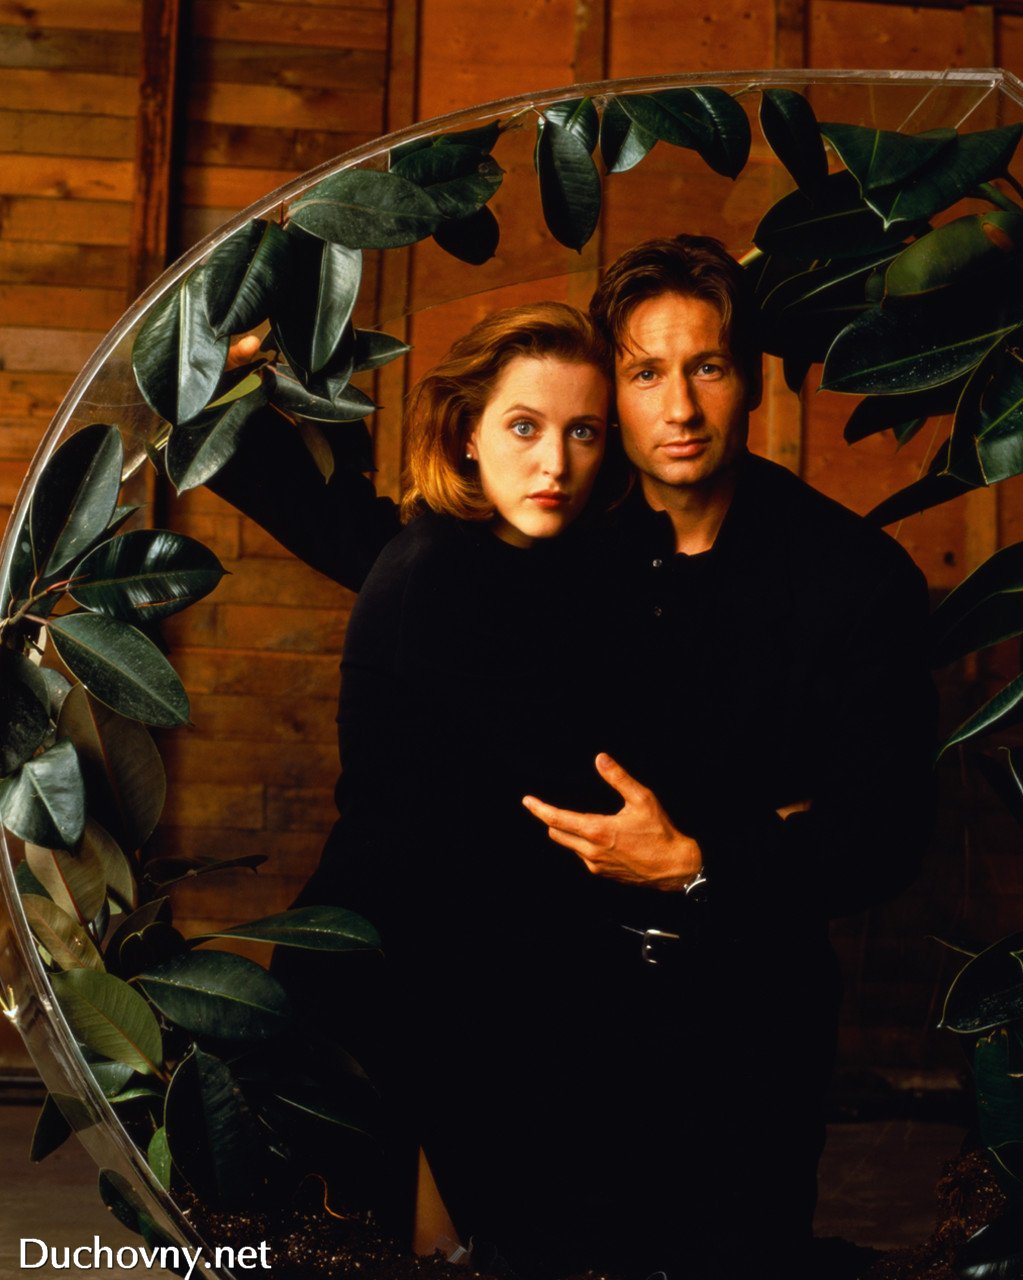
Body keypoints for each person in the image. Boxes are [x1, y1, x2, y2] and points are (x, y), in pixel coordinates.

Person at [212, 237, 937, 1279]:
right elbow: (379, 544)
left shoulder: (854, 576)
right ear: (612, 392)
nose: (679, 407)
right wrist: (218, 398)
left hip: (744, 1022)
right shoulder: (565, 526)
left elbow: (884, 832)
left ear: (752, 381)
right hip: (566, 1019)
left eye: (708, 367)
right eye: (645, 373)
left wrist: (699, 859)